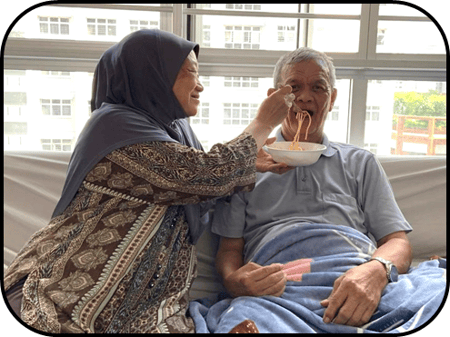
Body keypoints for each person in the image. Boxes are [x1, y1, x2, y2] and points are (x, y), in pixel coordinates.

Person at [3, 29, 293, 333]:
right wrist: (263, 122)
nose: (201, 85)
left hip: (151, 305)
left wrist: (246, 164)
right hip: (72, 287)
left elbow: (197, 186)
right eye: (191, 73)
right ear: (153, 75)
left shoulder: (174, 132)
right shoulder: (114, 126)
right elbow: (204, 175)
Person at [189, 47, 446, 333]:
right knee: (244, 321)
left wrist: (375, 271)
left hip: (354, 277)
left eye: (318, 87)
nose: (305, 97)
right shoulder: (245, 165)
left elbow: (397, 241)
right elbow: (230, 250)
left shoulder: (360, 162)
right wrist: (235, 281)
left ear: (332, 98)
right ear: (274, 98)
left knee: (434, 295)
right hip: (277, 291)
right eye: (294, 87)